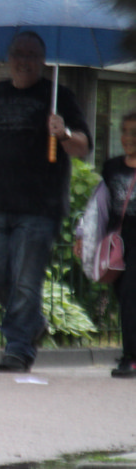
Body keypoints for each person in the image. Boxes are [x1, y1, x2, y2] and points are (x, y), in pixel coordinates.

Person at [0, 31, 92, 373]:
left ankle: (17, 349)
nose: (24, 60)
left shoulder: (59, 96)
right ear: (9, 57)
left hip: (39, 207)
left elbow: (82, 147)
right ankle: (32, 323)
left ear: (43, 61)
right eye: (19, 53)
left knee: (26, 281)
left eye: (32, 54)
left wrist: (63, 133)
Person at [87, 111, 136, 377]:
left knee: (130, 295)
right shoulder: (112, 167)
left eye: (134, 132)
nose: (129, 138)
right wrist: (84, 235)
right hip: (118, 240)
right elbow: (99, 205)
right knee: (123, 295)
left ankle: (131, 356)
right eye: (125, 131)